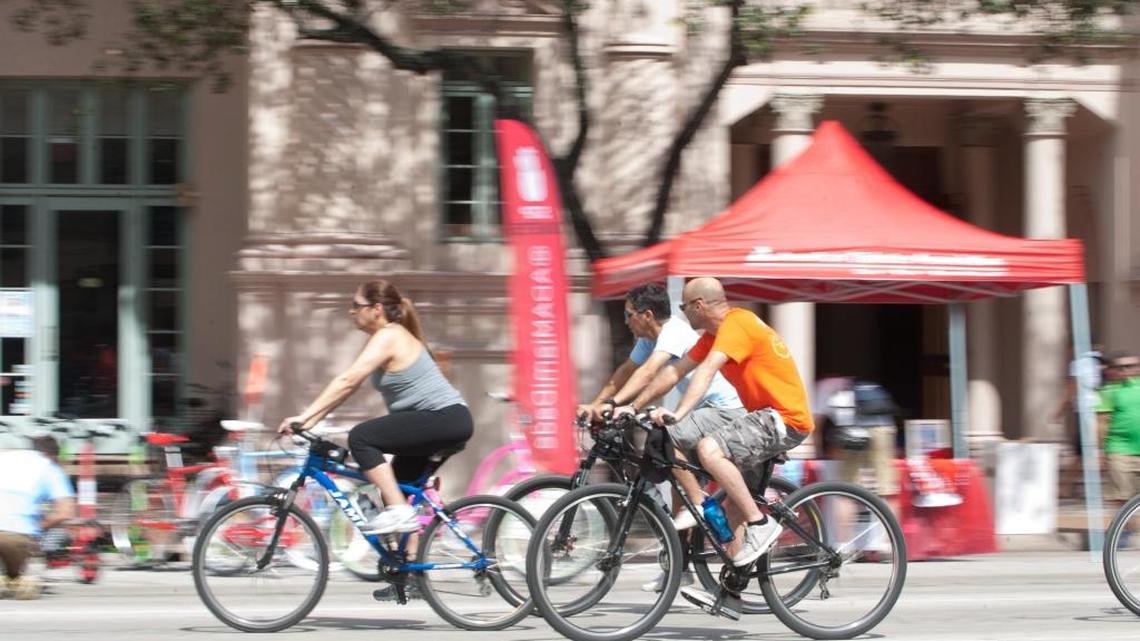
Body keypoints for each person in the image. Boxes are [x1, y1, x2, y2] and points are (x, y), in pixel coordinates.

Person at [616, 277, 813, 617]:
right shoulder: (713, 336)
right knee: (734, 509)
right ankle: (731, 595)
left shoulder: (739, 324)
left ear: (699, 306)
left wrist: (678, 412)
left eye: (683, 306)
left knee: (709, 450)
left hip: (783, 419)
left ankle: (761, 524)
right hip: (759, 419)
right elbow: (675, 371)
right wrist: (632, 407)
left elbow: (706, 371)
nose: (681, 313)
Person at [577, 283, 744, 591]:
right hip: (698, 411)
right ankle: (680, 567)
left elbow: (650, 373)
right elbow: (626, 371)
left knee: (668, 441)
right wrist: (599, 404)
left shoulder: (674, 333)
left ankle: (702, 503)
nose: (625, 321)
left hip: (722, 410)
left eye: (628, 315)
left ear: (647, 314)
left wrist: (620, 407)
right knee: (676, 484)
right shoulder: (648, 338)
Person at [277, 279, 473, 536]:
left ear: (376, 309)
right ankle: (409, 566)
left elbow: (348, 381)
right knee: (395, 492)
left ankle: (401, 514)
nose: (351, 311)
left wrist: (304, 417)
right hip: (445, 420)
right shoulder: (391, 336)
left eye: (356, 305)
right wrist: (311, 420)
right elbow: (350, 386)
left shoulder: (389, 335)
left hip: (443, 418)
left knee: (362, 438)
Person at [0, 436, 76, 599]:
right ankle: (17, 579)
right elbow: (65, 513)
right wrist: (37, 527)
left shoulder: (4, 457)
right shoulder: (49, 469)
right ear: (52, 455)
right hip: (14, 534)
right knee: (14, 544)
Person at [1098, 353, 1140, 504]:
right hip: (1120, 450)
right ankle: (1123, 527)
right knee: (1121, 498)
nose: (1125, 370)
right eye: (1120, 367)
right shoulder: (1109, 391)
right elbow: (1102, 422)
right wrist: (1103, 452)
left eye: (1130, 366)